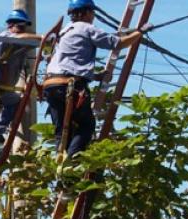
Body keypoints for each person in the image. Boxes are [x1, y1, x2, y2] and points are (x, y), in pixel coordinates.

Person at [44, 0, 147, 157]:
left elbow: (69, 63)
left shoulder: (65, 32)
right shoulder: (87, 28)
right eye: (92, 13)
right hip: (70, 86)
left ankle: (60, 164)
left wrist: (96, 76)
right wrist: (140, 32)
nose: (93, 16)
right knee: (86, 126)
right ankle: (71, 163)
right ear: (86, 12)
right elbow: (118, 43)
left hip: (51, 85)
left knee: (62, 130)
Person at [0, 9, 41, 170]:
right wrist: (43, 38)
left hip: (3, 90)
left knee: (16, 102)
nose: (23, 31)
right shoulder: (5, 38)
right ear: (11, 26)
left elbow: (29, 43)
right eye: (20, 27)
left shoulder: (19, 46)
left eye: (24, 28)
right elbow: (22, 38)